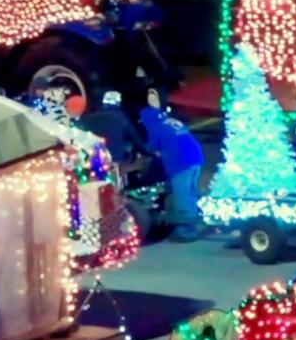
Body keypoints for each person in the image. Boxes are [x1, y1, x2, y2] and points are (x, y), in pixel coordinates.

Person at [138, 88, 205, 242]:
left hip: (181, 161)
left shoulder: (154, 126)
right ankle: (192, 222)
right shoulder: (170, 121)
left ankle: (186, 230)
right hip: (196, 157)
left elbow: (152, 148)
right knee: (191, 192)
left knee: (182, 195)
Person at [77, 90, 146, 165]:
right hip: (115, 159)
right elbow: (135, 139)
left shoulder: (89, 117)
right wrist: (149, 152)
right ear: (118, 103)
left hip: (94, 159)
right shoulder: (121, 117)